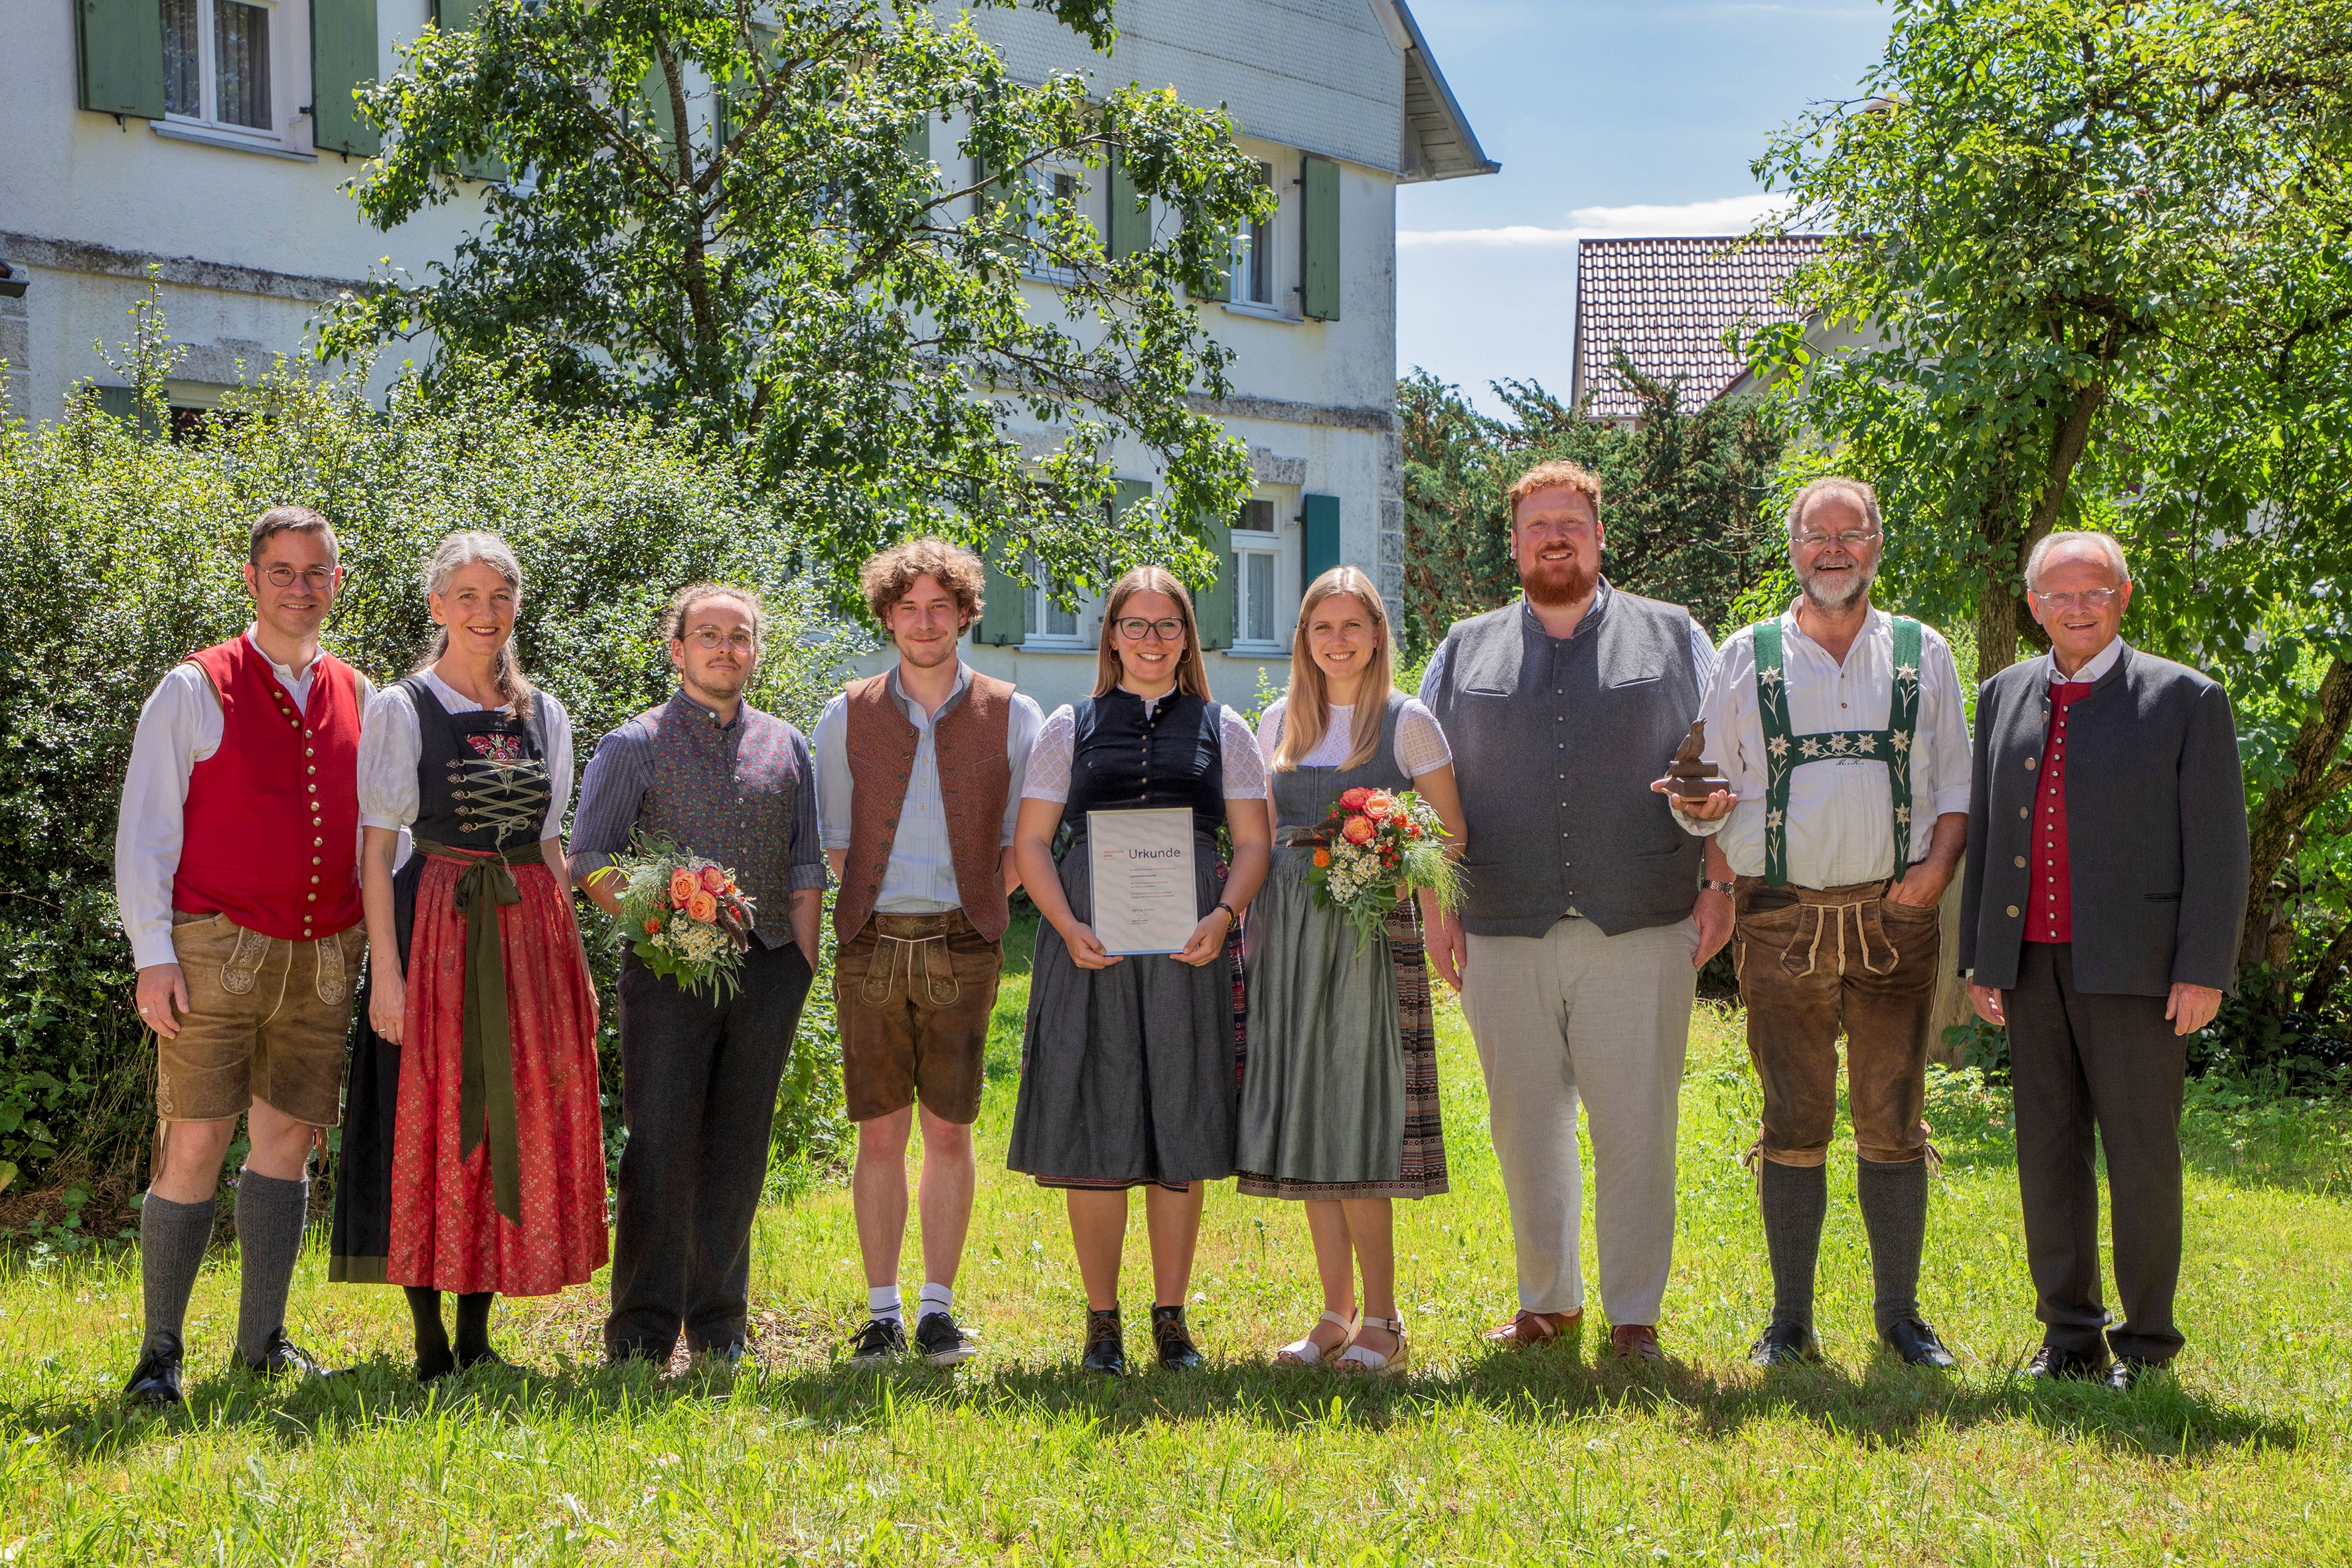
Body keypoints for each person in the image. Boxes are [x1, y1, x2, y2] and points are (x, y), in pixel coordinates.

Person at [1419, 460, 1729, 1364]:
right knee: (1524, 1122)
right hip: (1499, 920)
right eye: (1535, 525)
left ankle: (1634, 1311)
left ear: (1598, 537)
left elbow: (1727, 765)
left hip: (1638, 916)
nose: (1553, 537)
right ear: (1513, 544)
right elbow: (1426, 782)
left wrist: (1719, 885)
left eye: (1569, 523)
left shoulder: (1675, 637)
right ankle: (1545, 1301)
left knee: (1635, 1120)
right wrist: (1439, 908)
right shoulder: (1460, 647)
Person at [1666, 477, 1972, 1370]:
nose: (1831, 549)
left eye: (1849, 533)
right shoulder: (1745, 654)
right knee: (1790, 1114)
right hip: (1779, 921)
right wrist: (1697, 809)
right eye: (1814, 536)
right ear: (1791, 549)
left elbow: (1954, 787)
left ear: (1876, 543)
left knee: (1892, 1113)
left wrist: (1932, 876)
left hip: (1893, 917)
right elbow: (1703, 790)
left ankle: (1900, 1317)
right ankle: (1788, 1321)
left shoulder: (1923, 651)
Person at [1960, 531, 2248, 1390]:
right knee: (2046, 1153)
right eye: (2057, 593)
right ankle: (2069, 1337)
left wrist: (2203, 968)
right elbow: (1987, 833)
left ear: (2121, 598)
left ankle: (2147, 1346)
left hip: (2138, 971)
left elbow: (2218, 850)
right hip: (2029, 966)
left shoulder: (2184, 699)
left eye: (2092, 591)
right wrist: (1983, 957)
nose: (2074, 607)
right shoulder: (2002, 694)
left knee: (2138, 1156)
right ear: (2032, 604)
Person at [331, 532, 605, 1377]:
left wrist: (577, 966)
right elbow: (374, 854)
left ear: (516, 606)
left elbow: (552, 844)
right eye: (468, 595)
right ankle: (428, 1340)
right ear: (437, 605)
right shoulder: (401, 707)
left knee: (506, 1117)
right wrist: (389, 973)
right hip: (439, 925)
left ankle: (480, 1334)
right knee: (439, 1116)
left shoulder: (543, 712)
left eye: (500, 596)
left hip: (529, 930)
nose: (485, 613)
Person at [115, 506, 371, 1404]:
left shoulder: (363, 693)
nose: (300, 588)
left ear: (336, 582)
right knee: (193, 1138)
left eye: (316, 572)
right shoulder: (194, 687)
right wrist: (154, 952)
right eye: (283, 571)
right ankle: (159, 1355)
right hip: (212, 945)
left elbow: (385, 834)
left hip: (326, 951)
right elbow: (146, 832)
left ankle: (262, 1339)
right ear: (252, 580)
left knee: (288, 1140)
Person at [1006, 566, 1273, 1374]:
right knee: (1097, 1112)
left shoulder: (1225, 727)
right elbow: (1031, 844)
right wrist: (1067, 925)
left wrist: (1223, 916)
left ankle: (1171, 1318)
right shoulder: (1070, 724)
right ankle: (1101, 1322)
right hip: (1091, 938)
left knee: (1180, 1112)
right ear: (1112, 634)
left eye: (1168, 625)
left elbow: (1254, 843)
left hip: (1190, 936)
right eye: (1136, 623)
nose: (1151, 639)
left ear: (1188, 637)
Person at [574, 583, 826, 1368]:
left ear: (755, 650)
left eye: (739, 636)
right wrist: (660, 930)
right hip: (668, 978)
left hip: (769, 970)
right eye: (708, 635)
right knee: (660, 1146)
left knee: (739, 1147)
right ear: (678, 650)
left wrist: (804, 964)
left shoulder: (786, 745)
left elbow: (806, 861)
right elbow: (588, 857)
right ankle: (642, 1335)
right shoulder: (635, 744)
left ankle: (721, 1329)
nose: (725, 648)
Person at [813, 540, 1042, 1369]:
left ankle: (938, 1310)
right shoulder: (845, 713)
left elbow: (1028, 836)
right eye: (907, 607)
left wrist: (985, 902)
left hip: (966, 936)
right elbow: (834, 839)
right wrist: (879, 899)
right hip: (871, 937)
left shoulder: (1015, 712)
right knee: (880, 1135)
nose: (923, 621)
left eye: (939, 606)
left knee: (949, 1131)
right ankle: (881, 1313)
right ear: (885, 615)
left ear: (965, 613)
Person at [1237, 568, 1464, 1376]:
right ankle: (1333, 1314)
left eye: (1352, 627)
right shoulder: (1278, 722)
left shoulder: (1408, 722)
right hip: (1289, 934)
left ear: (1376, 634)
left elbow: (1452, 834)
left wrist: (1396, 866)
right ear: (1304, 637)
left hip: (1367, 933)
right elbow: (1261, 837)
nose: (1337, 641)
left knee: (1357, 1115)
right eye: (1321, 627)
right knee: (1308, 1115)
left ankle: (1385, 1319)